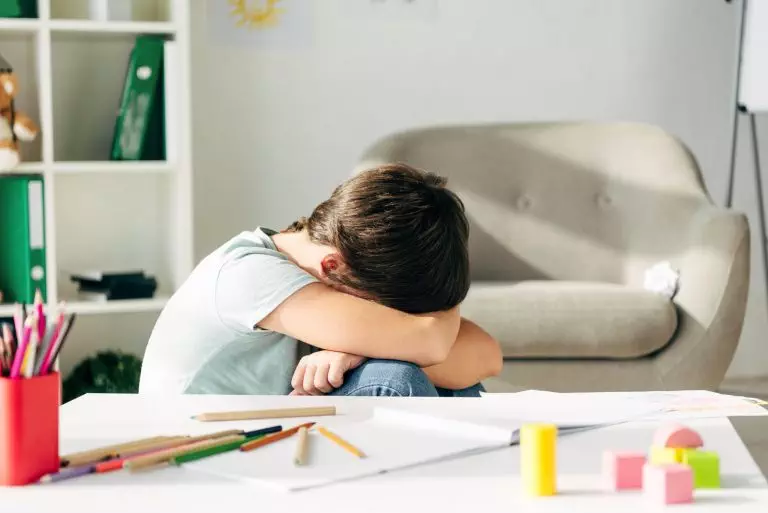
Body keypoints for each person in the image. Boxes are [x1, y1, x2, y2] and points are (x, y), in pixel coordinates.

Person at [138, 163, 502, 397]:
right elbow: (431, 342)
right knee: (393, 380)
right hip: (200, 442)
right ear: (332, 266)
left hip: (273, 426)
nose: (387, 316)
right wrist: (373, 344)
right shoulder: (249, 274)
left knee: (454, 388)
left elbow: (486, 355)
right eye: (383, 306)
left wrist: (355, 346)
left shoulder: (319, 266)